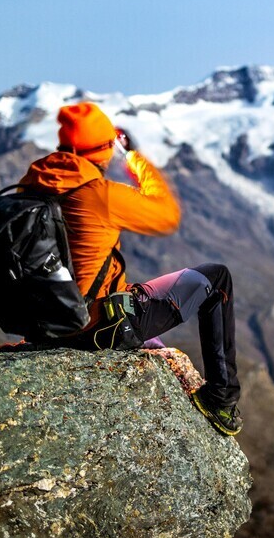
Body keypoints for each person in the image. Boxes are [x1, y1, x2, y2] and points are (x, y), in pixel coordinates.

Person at [18, 102, 242, 435]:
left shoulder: (29, 186)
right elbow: (166, 212)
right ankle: (221, 400)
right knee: (217, 277)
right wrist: (132, 156)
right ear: (104, 148)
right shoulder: (99, 194)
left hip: (43, 328)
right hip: (96, 330)